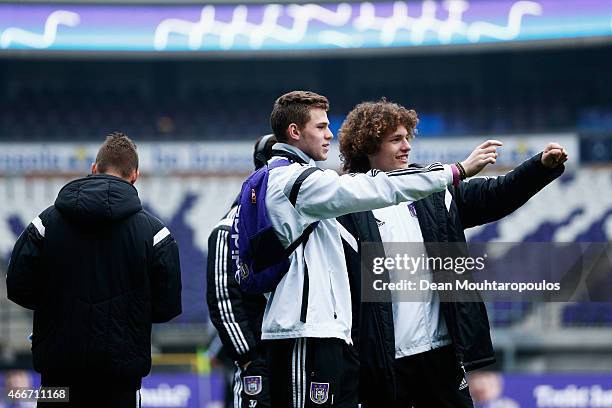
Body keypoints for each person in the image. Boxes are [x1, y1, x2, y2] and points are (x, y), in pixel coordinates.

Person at [261, 91, 497, 408]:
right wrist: (455, 171)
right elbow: (375, 187)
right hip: (305, 330)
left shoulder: (292, 179)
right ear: (294, 131)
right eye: (321, 127)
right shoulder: (297, 180)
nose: (329, 133)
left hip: (319, 328)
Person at [336, 99, 567, 407]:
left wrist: (539, 168)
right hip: (384, 361)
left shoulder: (433, 189)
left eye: (408, 138)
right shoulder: (344, 204)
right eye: (396, 140)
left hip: (441, 355)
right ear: (367, 145)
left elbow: (495, 194)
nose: (406, 146)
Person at [6, 132, 182, 408]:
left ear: (93, 169)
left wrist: (52, 309)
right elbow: (168, 306)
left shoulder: (45, 223)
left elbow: (17, 286)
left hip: (58, 376)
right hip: (120, 380)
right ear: (135, 175)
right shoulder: (155, 233)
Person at [206, 134, 277, 408]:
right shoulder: (228, 229)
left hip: (300, 358)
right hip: (259, 362)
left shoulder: (305, 219)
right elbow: (224, 301)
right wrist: (248, 356)